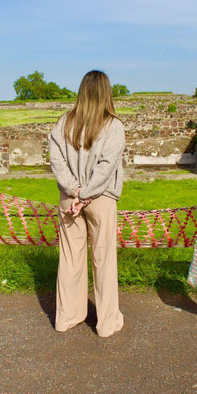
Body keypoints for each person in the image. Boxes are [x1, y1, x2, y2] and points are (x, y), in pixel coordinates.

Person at [48, 70, 125, 337]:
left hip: (69, 199)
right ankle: (106, 323)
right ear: (106, 92)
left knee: (70, 259)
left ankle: (67, 318)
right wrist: (87, 194)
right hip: (100, 198)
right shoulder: (113, 125)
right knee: (103, 259)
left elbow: (56, 161)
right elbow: (106, 167)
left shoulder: (63, 123)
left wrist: (75, 192)